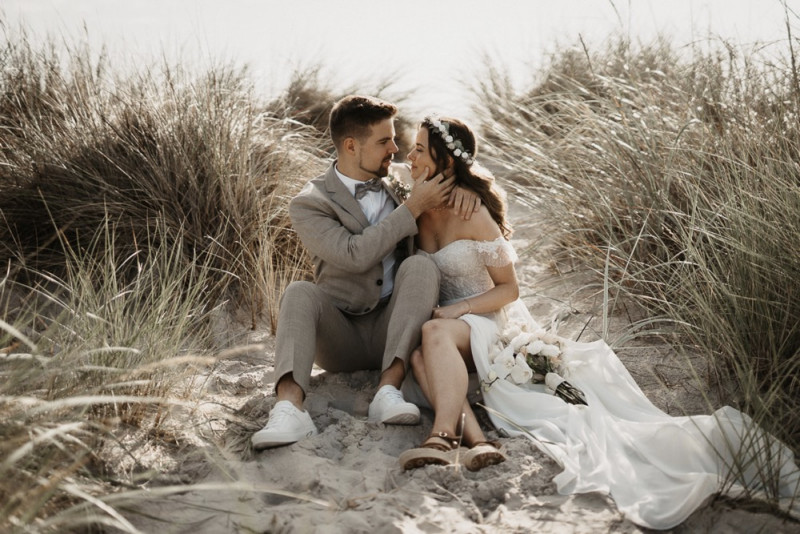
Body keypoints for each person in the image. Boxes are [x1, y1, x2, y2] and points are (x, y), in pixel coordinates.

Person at [397, 115, 800, 530]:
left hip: (480, 318)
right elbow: (381, 178)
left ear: (445, 161)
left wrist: (457, 310)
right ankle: (478, 443)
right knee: (418, 357)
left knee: (431, 333)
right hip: (452, 332)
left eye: (419, 149)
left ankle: (442, 436)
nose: (408, 155)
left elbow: (509, 290)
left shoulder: (473, 212)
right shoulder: (416, 201)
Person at [251, 95, 478, 450]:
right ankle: (289, 407)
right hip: (341, 335)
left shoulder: (400, 181)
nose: (396, 148)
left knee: (419, 266)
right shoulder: (309, 202)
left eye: (394, 139)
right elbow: (353, 255)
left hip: (396, 330)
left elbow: (448, 173)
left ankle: (388, 390)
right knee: (298, 291)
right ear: (352, 146)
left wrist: (468, 194)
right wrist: (412, 208)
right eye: (384, 141)